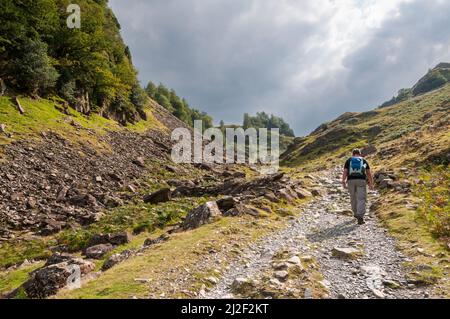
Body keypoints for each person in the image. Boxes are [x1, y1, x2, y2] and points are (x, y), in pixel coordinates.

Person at [342, 148, 374, 225]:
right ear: (360, 154)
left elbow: (345, 171)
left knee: (353, 197)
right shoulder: (363, 160)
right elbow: (368, 173)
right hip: (361, 181)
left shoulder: (349, 160)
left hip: (350, 181)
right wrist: (371, 183)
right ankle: (360, 216)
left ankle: (356, 213)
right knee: (361, 198)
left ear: (352, 154)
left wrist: (343, 181)